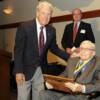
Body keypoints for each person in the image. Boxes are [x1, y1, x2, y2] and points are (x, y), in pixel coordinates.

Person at [13, 1, 69, 100]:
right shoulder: (25, 27)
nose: (46, 17)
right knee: (23, 98)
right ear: (37, 12)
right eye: (43, 13)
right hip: (24, 71)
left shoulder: (51, 30)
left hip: (41, 71)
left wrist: (70, 57)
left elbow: (54, 48)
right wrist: (18, 71)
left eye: (49, 14)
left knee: (39, 97)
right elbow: (18, 50)